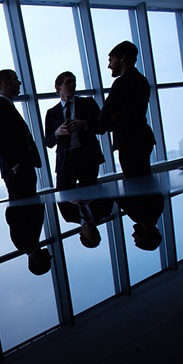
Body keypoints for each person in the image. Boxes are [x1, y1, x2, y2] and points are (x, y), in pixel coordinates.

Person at [44, 71, 106, 247]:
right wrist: (57, 133)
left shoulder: (88, 103)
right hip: (66, 161)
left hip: (87, 158)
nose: (72, 85)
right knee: (68, 188)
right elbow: (48, 142)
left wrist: (84, 125)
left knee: (68, 190)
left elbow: (101, 128)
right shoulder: (52, 113)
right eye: (68, 82)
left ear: (82, 234)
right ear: (58, 88)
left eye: (73, 81)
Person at [97, 41, 156, 178]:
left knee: (135, 182)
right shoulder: (142, 80)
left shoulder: (122, 82)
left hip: (129, 141)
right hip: (142, 137)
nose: (109, 65)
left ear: (122, 57)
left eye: (111, 60)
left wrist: (109, 121)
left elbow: (104, 117)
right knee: (144, 180)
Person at [0, 69, 42, 200]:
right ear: (6, 83)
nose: (19, 83)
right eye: (16, 79)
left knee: (27, 207)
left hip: (21, 169)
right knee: (25, 207)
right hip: (18, 172)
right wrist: (15, 165)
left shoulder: (5, 107)